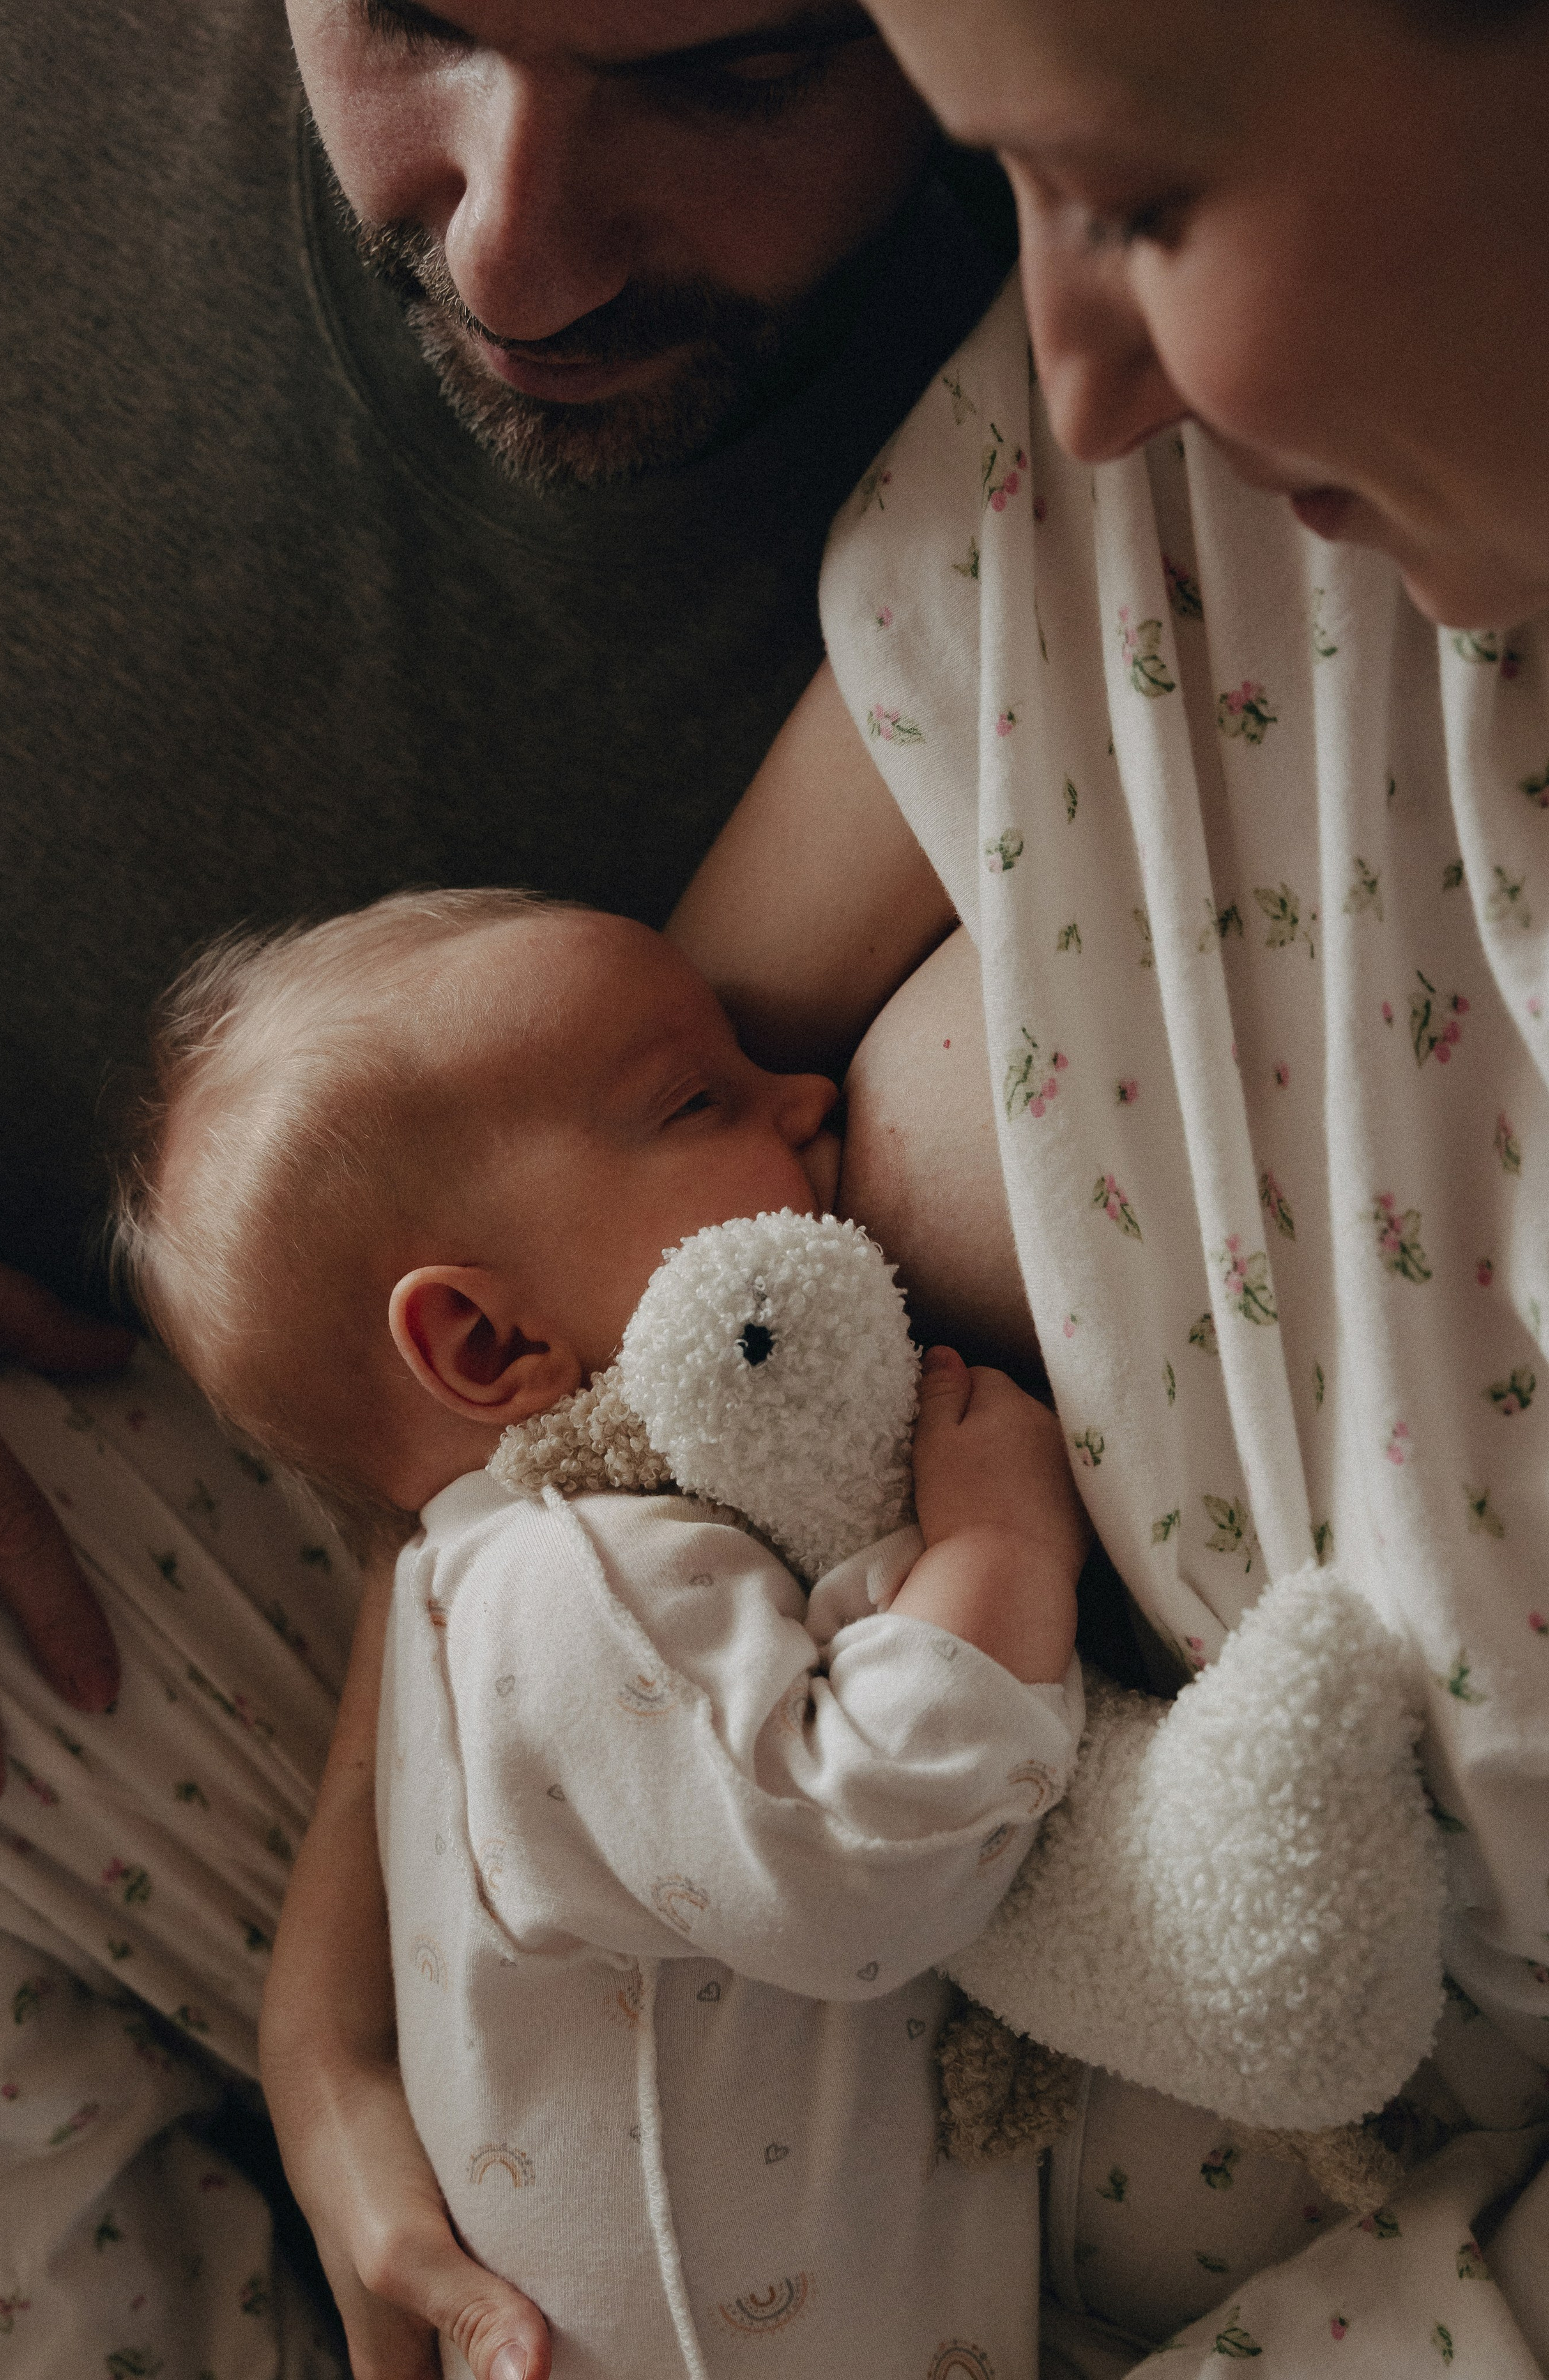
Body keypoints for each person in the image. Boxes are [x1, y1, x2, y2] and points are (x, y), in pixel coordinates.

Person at [283, 1, 1549, 2373]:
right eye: (1015, 185)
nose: (1070, 366)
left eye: (1133, 198)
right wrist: (331, 2026)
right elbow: (536, 1316)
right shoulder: (1091, 501)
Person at [0, 3, 1014, 2370]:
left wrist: (325, 2039)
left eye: (731, 72)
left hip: (404, 1682)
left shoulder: (1104, 319)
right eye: (415, 22)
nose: (521, 257)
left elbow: (499, 1464)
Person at [116, 888, 1087, 2379]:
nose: (809, 1092)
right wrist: (995, 1547)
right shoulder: (561, 1581)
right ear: (490, 1345)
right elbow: (863, 1849)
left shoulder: (499, 1595)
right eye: (701, 1099)